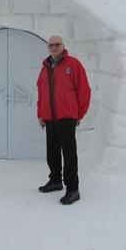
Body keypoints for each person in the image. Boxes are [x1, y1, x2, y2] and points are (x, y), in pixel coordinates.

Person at [36, 35, 91, 205]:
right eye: (51, 45)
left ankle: (73, 189)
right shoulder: (45, 67)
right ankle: (55, 181)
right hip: (49, 118)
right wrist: (40, 114)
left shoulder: (73, 64)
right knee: (51, 152)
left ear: (63, 46)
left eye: (57, 44)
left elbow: (84, 91)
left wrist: (78, 114)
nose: (54, 47)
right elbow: (41, 91)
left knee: (69, 155)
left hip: (67, 118)